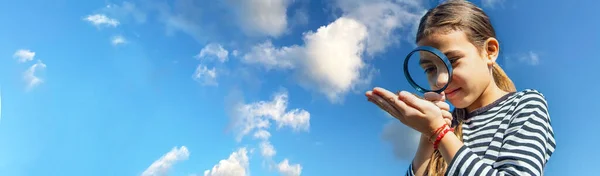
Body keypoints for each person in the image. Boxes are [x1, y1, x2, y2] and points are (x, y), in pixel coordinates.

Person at [365, 1, 556, 176]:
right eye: (430, 68)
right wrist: (427, 138)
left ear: (489, 51)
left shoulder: (526, 105)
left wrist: (438, 133)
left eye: (452, 61)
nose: (440, 80)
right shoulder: (448, 123)